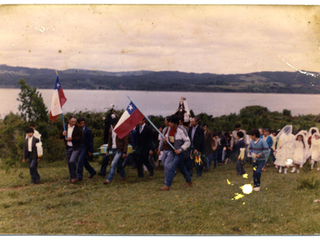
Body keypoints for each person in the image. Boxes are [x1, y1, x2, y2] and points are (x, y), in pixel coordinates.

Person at [160, 115, 192, 190]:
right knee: (181, 168)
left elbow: (188, 142)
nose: (169, 124)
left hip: (180, 153)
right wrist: (165, 139)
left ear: (175, 123)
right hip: (173, 152)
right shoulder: (170, 129)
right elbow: (168, 138)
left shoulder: (181, 130)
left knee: (172, 167)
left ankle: (167, 185)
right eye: (169, 122)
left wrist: (180, 150)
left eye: (171, 122)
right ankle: (189, 181)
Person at [103, 118, 128, 184]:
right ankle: (123, 175)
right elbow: (109, 141)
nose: (113, 126)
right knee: (118, 164)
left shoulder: (122, 130)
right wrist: (108, 149)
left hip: (119, 150)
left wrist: (125, 152)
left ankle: (109, 179)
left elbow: (125, 142)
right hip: (113, 149)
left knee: (113, 163)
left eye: (114, 124)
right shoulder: (111, 130)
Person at [60, 115, 84, 183]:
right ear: (69, 120)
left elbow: (81, 137)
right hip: (68, 147)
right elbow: (60, 137)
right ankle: (72, 177)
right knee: (69, 163)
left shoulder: (78, 128)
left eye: (75, 121)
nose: (74, 122)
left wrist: (72, 139)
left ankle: (74, 176)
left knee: (72, 161)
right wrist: (62, 133)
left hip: (75, 148)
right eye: (72, 121)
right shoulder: (65, 127)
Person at [159, 116, 174, 183]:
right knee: (164, 164)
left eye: (166, 121)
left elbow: (172, 139)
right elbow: (162, 140)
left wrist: (167, 140)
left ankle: (167, 180)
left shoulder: (173, 130)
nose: (165, 122)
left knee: (167, 165)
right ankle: (173, 171)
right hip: (164, 149)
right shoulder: (164, 129)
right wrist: (160, 148)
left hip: (170, 150)